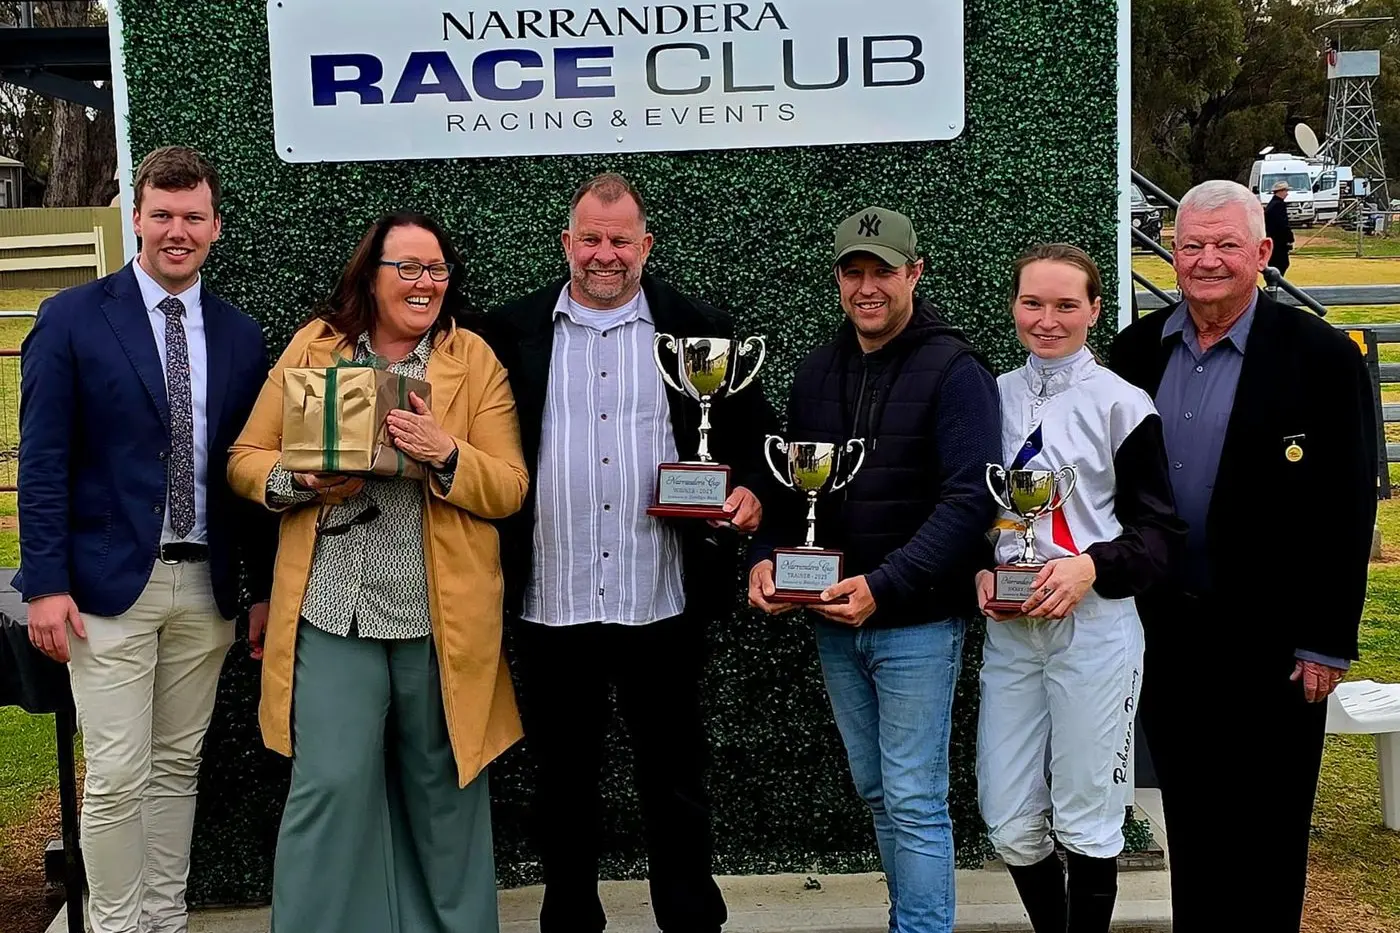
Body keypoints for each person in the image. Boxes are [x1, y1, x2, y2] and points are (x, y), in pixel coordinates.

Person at [480, 172, 776, 933]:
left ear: (645, 246)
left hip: (663, 597)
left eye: (620, 240)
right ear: (566, 243)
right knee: (561, 783)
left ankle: (688, 918)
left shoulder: (697, 327)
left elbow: (750, 444)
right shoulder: (509, 333)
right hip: (552, 596)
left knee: (675, 777)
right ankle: (569, 918)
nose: (604, 255)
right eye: (590, 238)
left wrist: (750, 492)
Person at [226, 212, 530, 933]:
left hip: (440, 617)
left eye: (437, 270)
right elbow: (245, 457)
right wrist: (299, 483)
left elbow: (511, 485)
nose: (425, 283)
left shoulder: (473, 359)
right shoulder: (315, 346)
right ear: (372, 274)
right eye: (409, 268)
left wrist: (445, 450)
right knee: (329, 783)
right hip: (335, 607)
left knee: (444, 787)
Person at [16, 145, 275, 933]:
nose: (177, 231)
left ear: (215, 227)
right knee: (120, 773)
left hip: (208, 587)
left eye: (193, 217)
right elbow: (43, 458)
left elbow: (248, 468)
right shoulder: (72, 317)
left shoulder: (239, 334)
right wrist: (46, 582)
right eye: (162, 215)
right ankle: (117, 924)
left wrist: (261, 590)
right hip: (105, 588)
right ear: (136, 218)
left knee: (175, 767)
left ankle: (164, 919)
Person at [1110, 180, 1376, 932]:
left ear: (1262, 252)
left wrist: (1326, 638)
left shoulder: (1322, 356)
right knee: (1191, 825)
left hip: (1276, 644)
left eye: (1227, 244)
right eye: (1192, 244)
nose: (1207, 260)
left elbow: (1348, 505)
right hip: (1167, 635)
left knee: (1268, 829)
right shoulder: (1135, 351)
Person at [747, 206, 1001, 933]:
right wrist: (769, 560)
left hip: (915, 622)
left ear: (914, 272)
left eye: (883, 271)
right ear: (838, 279)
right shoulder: (819, 369)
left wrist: (882, 586)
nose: (868, 287)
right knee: (879, 791)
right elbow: (792, 493)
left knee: (915, 795)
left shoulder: (957, 369)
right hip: (832, 618)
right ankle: (909, 921)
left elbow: (968, 503)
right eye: (854, 272)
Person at [975, 244, 1184, 933]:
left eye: (1067, 304)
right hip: (1010, 628)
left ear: (1095, 309)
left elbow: (1158, 533)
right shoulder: (991, 395)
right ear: (1014, 306)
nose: (1048, 319)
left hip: (1095, 629)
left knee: (1088, 819)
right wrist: (977, 566)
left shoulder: (1123, 403)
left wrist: (1090, 565)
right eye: (1033, 302)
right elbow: (967, 509)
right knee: (1008, 820)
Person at [1265, 179, 1295, 278]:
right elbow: (1282, 224)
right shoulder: (1278, 205)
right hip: (1278, 241)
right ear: (1281, 191)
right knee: (1281, 264)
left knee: (1277, 264)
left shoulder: (1272, 204)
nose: (1287, 194)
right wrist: (1289, 238)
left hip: (1273, 239)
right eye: (1286, 191)